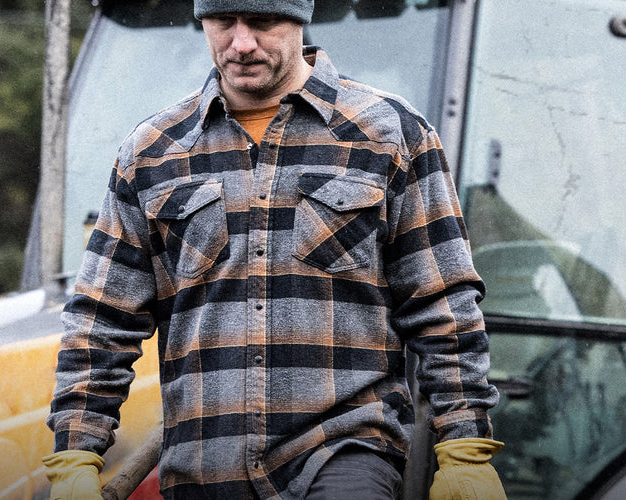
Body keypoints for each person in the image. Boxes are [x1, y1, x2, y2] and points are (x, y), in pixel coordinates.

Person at [39, 0, 506, 498]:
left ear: (300, 18)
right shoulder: (153, 152)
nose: (241, 43)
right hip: (204, 469)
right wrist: (75, 456)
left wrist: (465, 450)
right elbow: (102, 320)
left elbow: (442, 304)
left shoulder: (390, 135)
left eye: (261, 22)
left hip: (344, 454)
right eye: (223, 23)